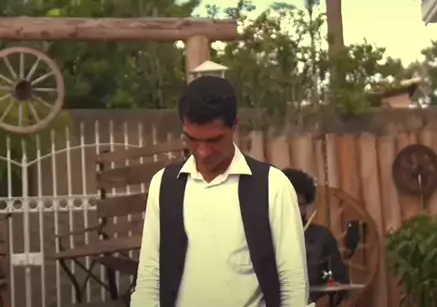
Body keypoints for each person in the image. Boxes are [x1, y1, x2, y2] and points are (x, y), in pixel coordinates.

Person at [131, 76, 309, 307]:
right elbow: (150, 275)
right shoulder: (164, 185)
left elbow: (293, 280)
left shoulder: (272, 185)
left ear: (235, 126)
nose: (203, 152)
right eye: (192, 139)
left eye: (214, 140)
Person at [282, 168, 350, 307]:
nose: (293, 209)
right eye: (288, 203)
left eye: (299, 204)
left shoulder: (322, 237)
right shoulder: (263, 237)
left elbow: (340, 286)